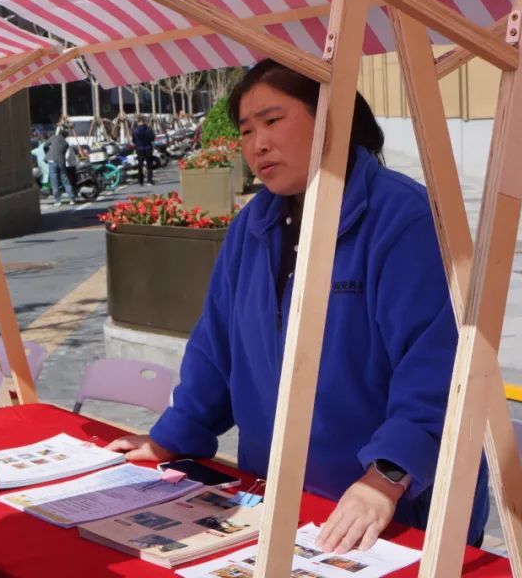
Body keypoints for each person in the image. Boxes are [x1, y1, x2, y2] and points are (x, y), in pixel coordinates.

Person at [108, 59, 488, 553]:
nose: (256, 144)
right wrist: (170, 438)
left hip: (396, 508)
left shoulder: (404, 219)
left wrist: (386, 477)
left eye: (272, 121)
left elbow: (439, 368)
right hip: (277, 500)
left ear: (332, 116)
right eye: (246, 131)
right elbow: (216, 348)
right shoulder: (252, 225)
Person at [45, 126, 76, 205]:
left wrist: (48, 153)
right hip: (61, 161)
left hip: (52, 161)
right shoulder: (66, 143)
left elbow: (45, 145)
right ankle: (72, 199)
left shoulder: (53, 137)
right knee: (65, 179)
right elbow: (63, 153)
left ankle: (57, 201)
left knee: (54, 181)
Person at [132, 117, 156, 186]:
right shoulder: (148, 129)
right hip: (148, 148)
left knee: (140, 165)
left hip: (139, 149)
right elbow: (152, 138)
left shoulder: (135, 130)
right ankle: (149, 180)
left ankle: (141, 181)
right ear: (144, 121)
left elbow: (133, 140)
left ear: (138, 122)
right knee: (149, 164)